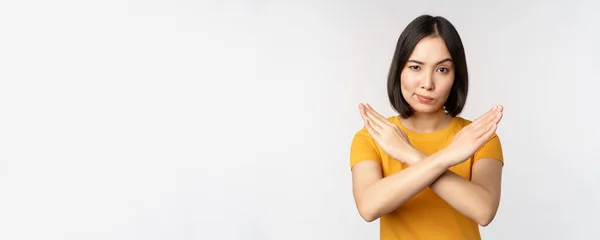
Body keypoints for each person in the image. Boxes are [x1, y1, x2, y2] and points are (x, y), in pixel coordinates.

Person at [349, 14, 505, 240]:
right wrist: (447, 157)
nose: (427, 83)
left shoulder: (479, 137)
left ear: (455, 77)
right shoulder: (373, 136)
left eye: (442, 70)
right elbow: (369, 206)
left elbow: (483, 211)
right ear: (399, 69)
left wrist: (408, 154)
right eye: (415, 67)